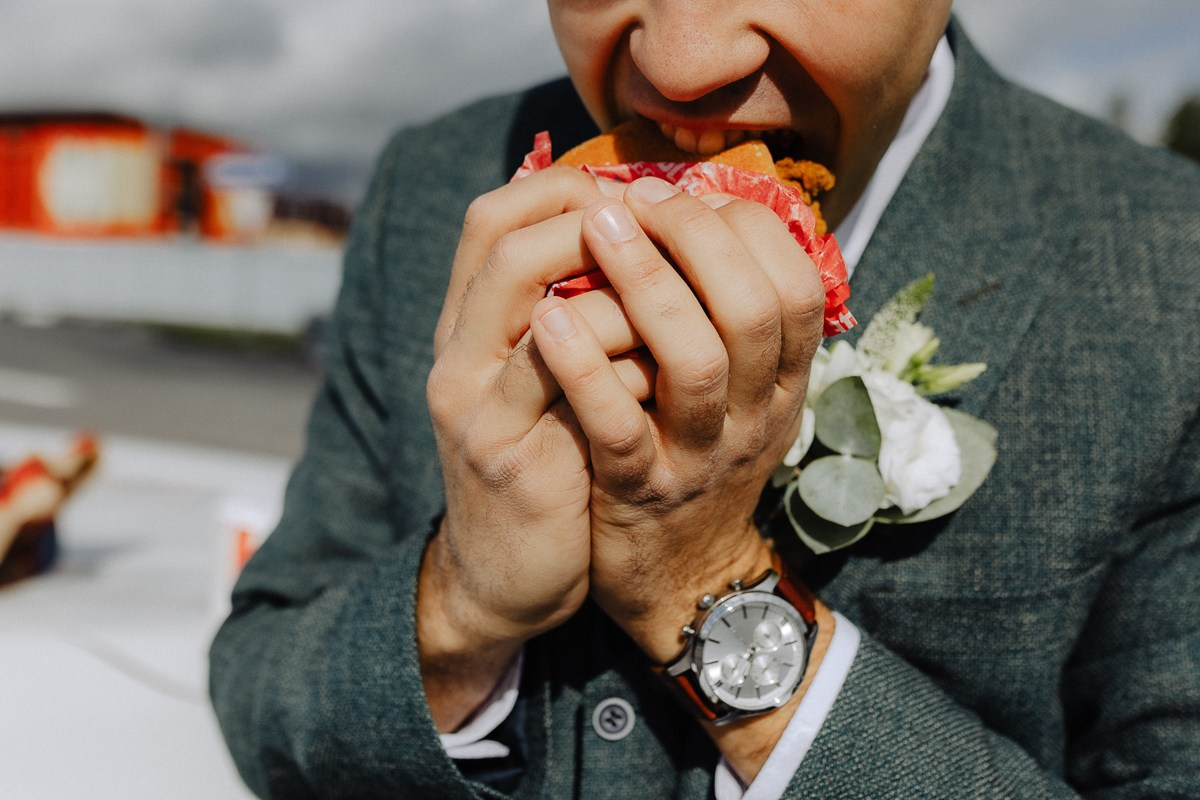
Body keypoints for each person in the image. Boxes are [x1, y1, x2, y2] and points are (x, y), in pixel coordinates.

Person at [209, 2, 1200, 798]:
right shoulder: (434, 188)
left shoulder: (1167, 269)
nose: (683, 63)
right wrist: (459, 607)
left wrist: (702, 584)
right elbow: (260, 680)